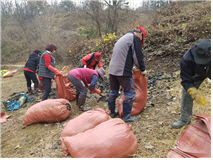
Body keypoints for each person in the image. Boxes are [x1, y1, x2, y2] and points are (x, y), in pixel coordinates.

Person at [108, 26, 146, 122]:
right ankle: (126, 117)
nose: (141, 40)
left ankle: (111, 112)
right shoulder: (135, 38)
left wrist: (131, 66)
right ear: (140, 35)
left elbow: (124, 55)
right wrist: (142, 69)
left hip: (112, 70)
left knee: (113, 92)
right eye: (142, 38)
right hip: (122, 71)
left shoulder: (124, 37)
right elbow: (138, 56)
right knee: (130, 94)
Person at [172, 39, 211, 129]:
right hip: (196, 73)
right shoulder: (187, 59)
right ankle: (185, 119)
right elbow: (186, 80)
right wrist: (193, 92)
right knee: (186, 92)